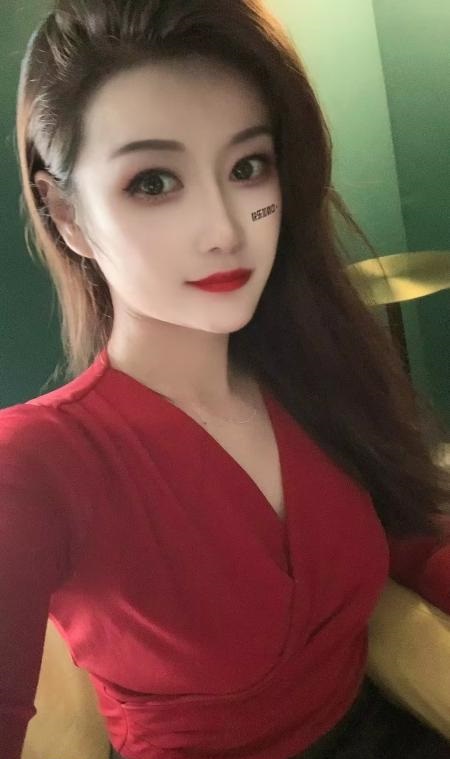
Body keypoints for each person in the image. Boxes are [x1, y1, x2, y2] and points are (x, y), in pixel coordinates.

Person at [1, 1, 449, 757]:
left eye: (247, 167)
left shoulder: (312, 372)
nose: (225, 229)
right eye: (153, 182)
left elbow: (405, 534)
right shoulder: (36, 463)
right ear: (65, 212)